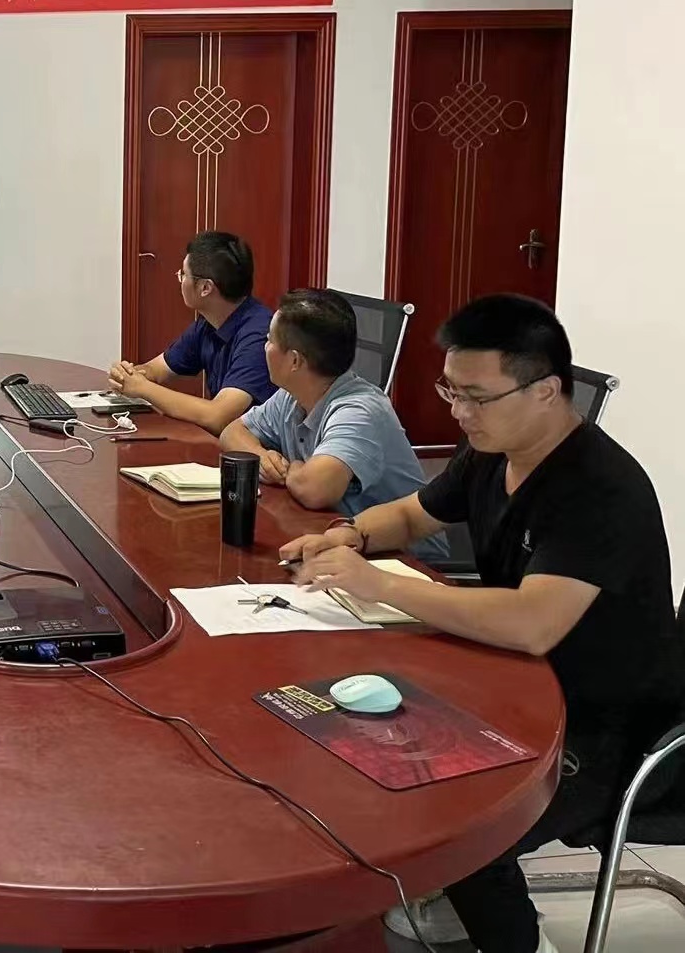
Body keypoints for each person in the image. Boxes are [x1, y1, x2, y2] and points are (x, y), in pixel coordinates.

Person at [280, 295, 684, 953]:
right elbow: (412, 514)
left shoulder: (600, 489)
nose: (459, 412)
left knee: (465, 820)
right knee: (355, 731)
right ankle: (445, 892)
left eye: (477, 396)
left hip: (605, 729)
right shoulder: (493, 450)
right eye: (451, 390)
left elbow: (531, 624)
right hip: (514, 683)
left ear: (546, 390)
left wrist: (379, 584)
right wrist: (350, 535)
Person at [219, 288, 446, 560]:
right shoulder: (291, 395)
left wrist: (293, 469)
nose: (264, 347)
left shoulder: (359, 410)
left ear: (295, 361)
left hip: (406, 560)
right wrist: (263, 457)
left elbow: (316, 489)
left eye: (269, 340)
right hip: (339, 541)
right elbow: (232, 432)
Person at [108, 230, 276, 435]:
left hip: (256, 450)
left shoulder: (260, 336)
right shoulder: (207, 324)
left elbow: (217, 416)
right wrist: (129, 374)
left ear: (205, 287)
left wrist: (142, 388)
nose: (180, 280)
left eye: (183, 275)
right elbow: (157, 370)